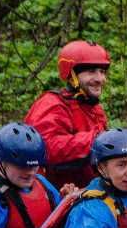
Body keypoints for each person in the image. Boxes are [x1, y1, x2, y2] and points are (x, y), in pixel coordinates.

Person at [25, 40, 110, 191]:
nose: (100, 79)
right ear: (71, 75)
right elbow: (44, 148)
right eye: (91, 72)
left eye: (102, 72)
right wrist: (96, 141)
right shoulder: (52, 104)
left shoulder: (94, 109)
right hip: (56, 196)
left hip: (89, 192)